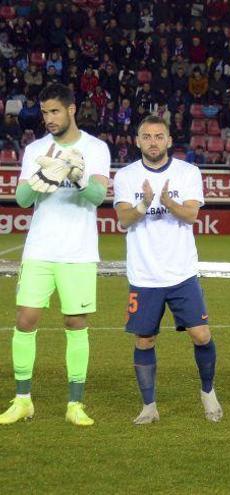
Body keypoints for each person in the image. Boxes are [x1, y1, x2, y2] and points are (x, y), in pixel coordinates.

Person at [0, 83, 110, 426]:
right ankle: (22, 401)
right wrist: (41, 175)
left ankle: (75, 404)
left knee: (75, 322)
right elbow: (20, 200)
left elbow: (96, 196)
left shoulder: (95, 148)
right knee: (25, 319)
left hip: (78, 251)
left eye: (55, 111)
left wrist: (76, 177)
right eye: (45, 112)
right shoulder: (35, 149)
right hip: (40, 249)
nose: (49, 118)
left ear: (71, 110)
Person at [113, 115, 222, 425]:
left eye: (159, 136)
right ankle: (149, 406)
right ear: (137, 141)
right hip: (144, 276)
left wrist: (166, 202)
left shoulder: (188, 172)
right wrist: (143, 205)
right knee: (144, 341)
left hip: (181, 273)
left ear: (169, 140)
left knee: (201, 335)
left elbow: (191, 215)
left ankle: (208, 391)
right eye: (146, 136)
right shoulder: (126, 176)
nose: (153, 141)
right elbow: (123, 219)